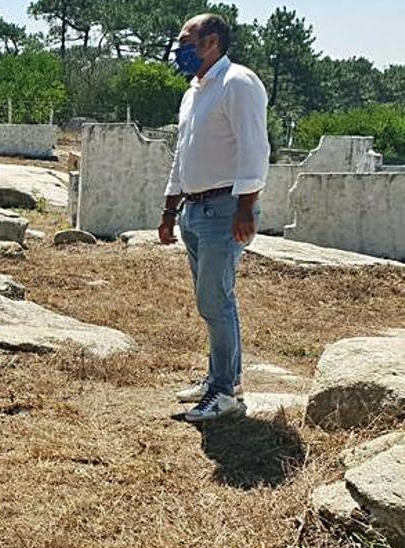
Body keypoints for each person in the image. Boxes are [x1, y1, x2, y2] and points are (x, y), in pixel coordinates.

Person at [158, 14, 270, 422]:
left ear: (212, 41)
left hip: (225, 209)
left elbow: (254, 148)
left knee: (215, 299)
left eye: (186, 40)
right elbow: (183, 154)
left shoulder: (238, 82)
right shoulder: (194, 91)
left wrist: (245, 207)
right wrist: (170, 210)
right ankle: (218, 379)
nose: (179, 48)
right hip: (194, 209)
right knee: (210, 301)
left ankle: (226, 392)